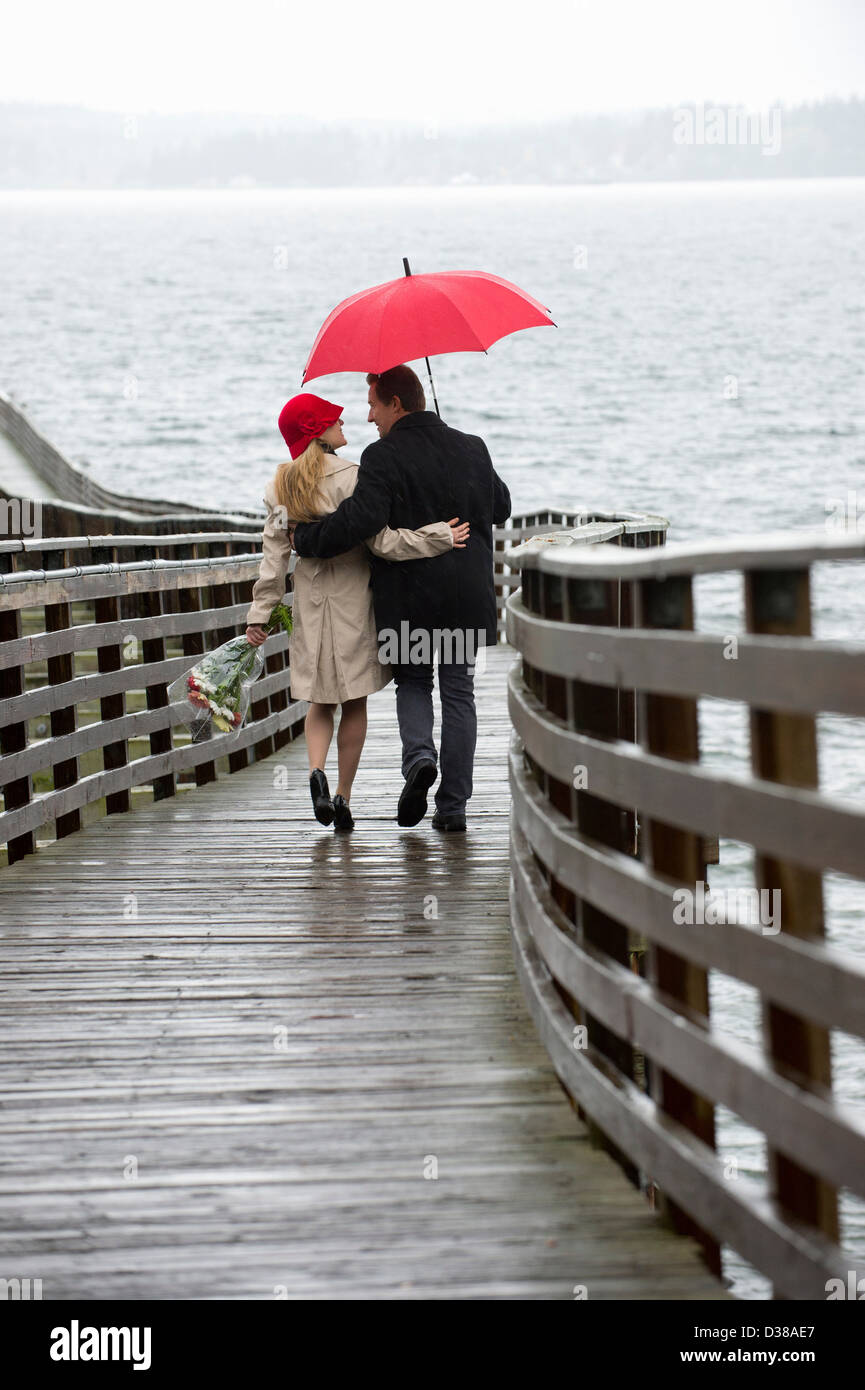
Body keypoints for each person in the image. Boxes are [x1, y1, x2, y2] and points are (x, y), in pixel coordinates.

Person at [290, 365, 511, 832]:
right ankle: (452, 808)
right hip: (464, 599)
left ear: (396, 403)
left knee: (413, 684)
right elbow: (502, 506)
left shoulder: (383, 455)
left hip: (409, 600)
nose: (369, 417)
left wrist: (306, 540)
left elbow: (360, 520)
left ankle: (418, 761)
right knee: (459, 694)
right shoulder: (472, 447)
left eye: (373, 405)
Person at [245, 392, 468, 832]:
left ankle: (316, 774)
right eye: (334, 419)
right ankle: (343, 798)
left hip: (310, 602)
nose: (345, 420)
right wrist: (437, 536)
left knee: (319, 702)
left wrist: (260, 614)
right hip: (352, 600)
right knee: (354, 703)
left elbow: (273, 561)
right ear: (318, 431)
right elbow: (384, 542)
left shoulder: (279, 487)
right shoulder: (354, 477)